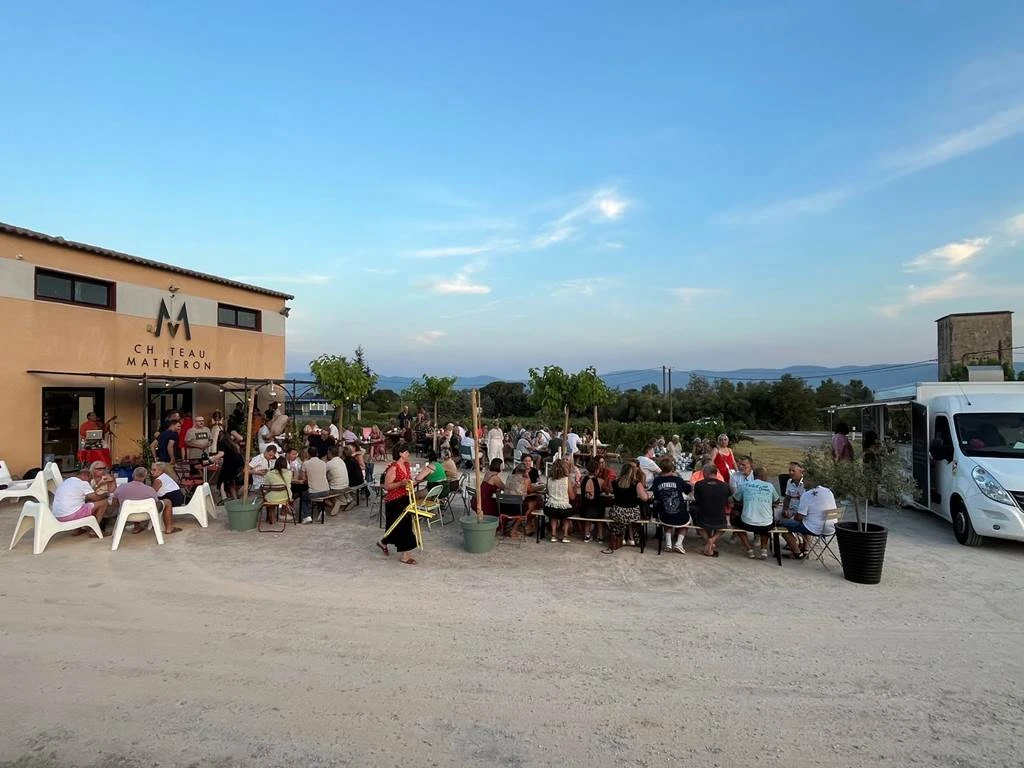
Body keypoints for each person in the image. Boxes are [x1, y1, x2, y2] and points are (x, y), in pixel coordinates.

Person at [779, 471, 838, 559]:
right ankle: (805, 549)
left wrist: (790, 517)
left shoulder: (807, 495)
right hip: (832, 528)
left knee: (782, 524)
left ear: (810, 481)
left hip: (816, 529)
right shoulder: (828, 491)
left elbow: (798, 518)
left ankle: (797, 553)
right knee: (807, 522)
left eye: (804, 479)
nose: (803, 482)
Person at [377, 442, 418, 565]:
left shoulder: (406, 464)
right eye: (406, 452)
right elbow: (387, 486)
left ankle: (383, 542)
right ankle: (405, 555)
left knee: (395, 526)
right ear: (400, 453)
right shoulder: (393, 468)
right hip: (394, 499)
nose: (408, 454)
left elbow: (408, 480)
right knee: (403, 525)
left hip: (405, 497)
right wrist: (400, 483)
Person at [114, 466, 180, 535]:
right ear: (144, 477)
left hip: (126, 515)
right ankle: (169, 528)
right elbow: (155, 503)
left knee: (132, 501)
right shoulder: (150, 490)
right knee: (167, 501)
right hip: (146, 515)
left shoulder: (121, 487)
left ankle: (137, 527)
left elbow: (114, 500)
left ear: (133, 475)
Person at [732, 466, 779, 559]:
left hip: (747, 522)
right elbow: (777, 501)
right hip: (766, 524)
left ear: (754, 475)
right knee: (767, 522)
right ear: (764, 477)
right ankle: (764, 549)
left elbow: (735, 499)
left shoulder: (745, 485)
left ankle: (749, 549)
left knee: (735, 523)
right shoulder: (770, 486)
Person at [603, 459, 649, 553]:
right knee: (636, 518)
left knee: (616, 518)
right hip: (631, 513)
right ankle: (633, 538)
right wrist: (646, 493)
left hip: (618, 512)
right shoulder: (636, 483)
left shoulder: (615, 482)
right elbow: (645, 498)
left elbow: (610, 491)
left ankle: (621, 537)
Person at [651, 455, 692, 554]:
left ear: (661, 468)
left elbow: (655, 494)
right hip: (680, 514)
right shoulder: (678, 479)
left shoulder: (657, 480)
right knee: (688, 521)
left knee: (666, 517)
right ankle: (678, 543)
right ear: (672, 468)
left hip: (664, 514)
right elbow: (688, 489)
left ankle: (668, 544)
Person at [52, 467, 109, 534]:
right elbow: (96, 498)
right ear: (85, 476)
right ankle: (94, 531)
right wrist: (105, 494)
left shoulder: (67, 481)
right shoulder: (83, 483)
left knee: (81, 504)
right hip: (70, 515)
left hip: (58, 516)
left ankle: (77, 529)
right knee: (104, 502)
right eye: (90, 479)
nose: (89, 482)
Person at [693, 463, 731, 558]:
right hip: (720, 519)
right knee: (723, 529)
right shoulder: (725, 486)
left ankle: (708, 540)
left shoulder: (699, 484)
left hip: (703, 518)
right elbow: (728, 500)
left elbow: (696, 499)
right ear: (716, 473)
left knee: (697, 522)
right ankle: (713, 539)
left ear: (705, 473)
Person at [543, 457, 574, 543]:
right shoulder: (566, 480)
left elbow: (548, 493)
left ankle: (553, 534)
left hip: (551, 507)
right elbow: (572, 496)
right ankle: (565, 535)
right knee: (566, 515)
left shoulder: (549, 479)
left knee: (554, 515)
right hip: (564, 507)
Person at [579, 458, 606, 543]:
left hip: (584, 509)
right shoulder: (601, 481)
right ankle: (600, 536)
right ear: (597, 470)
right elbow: (607, 490)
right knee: (600, 513)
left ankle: (587, 535)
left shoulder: (582, 479)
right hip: (597, 510)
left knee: (588, 510)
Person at [302, 446, 330, 524]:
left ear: (308, 454)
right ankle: (321, 510)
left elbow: (304, 479)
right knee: (318, 492)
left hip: (314, 492)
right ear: (317, 453)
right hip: (326, 490)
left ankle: (307, 515)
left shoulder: (306, 463)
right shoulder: (323, 463)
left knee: (304, 496)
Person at [261, 457, 293, 524]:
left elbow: (265, 486)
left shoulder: (269, 473)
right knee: (286, 494)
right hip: (285, 497)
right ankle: (283, 513)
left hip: (272, 498)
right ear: (285, 464)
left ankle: (272, 518)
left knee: (270, 498)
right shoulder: (289, 473)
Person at [325, 446, 353, 513]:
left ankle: (337, 502)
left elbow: (322, 474)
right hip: (346, 485)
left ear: (330, 453)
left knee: (323, 492)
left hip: (335, 488)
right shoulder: (341, 461)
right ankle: (346, 500)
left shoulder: (329, 463)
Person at [863, 430, 882, 506]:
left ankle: (868, 500)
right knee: (875, 484)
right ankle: (875, 501)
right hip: (874, 466)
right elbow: (878, 453)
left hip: (866, 466)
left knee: (868, 484)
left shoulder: (865, 444)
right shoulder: (875, 445)